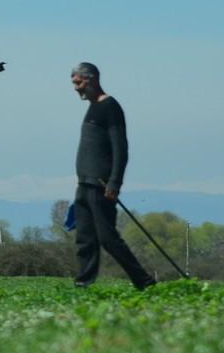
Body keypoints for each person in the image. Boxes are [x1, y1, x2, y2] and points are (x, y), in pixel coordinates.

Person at [69, 62, 156, 290]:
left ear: (92, 79)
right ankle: (83, 284)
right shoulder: (92, 107)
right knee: (85, 239)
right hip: (84, 184)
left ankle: (144, 282)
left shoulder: (110, 106)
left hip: (101, 185)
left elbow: (121, 147)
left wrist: (115, 181)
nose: (75, 88)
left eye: (78, 82)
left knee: (108, 239)